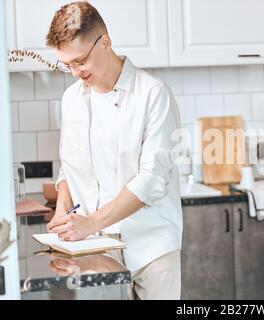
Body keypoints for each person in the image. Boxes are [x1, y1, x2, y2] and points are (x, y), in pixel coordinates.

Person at [45, 1, 183, 300]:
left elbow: (152, 179)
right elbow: (69, 163)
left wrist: (91, 222)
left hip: (151, 247)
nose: (75, 72)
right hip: (93, 248)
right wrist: (62, 210)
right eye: (67, 65)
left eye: (80, 61)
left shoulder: (153, 93)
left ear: (105, 42)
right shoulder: (71, 99)